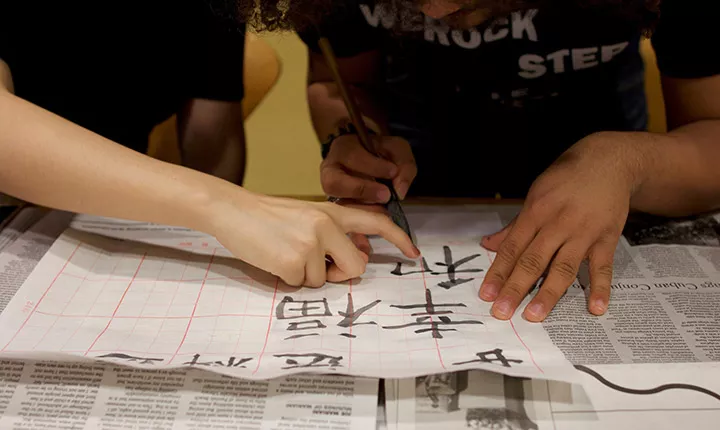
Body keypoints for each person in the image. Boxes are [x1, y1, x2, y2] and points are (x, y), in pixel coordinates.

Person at [284, 0, 720, 322]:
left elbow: (711, 135)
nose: (434, 11)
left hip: (607, 185)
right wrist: (353, 134)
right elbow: (338, 81)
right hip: (422, 180)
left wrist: (626, 162)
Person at [0, 0, 419, 288]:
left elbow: (211, 141)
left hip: (99, 223)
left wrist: (233, 214)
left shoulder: (211, 10)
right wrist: (226, 205)